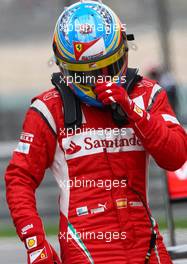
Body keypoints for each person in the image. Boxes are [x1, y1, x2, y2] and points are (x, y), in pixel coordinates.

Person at [5, 1, 186, 263]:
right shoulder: (48, 109)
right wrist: (35, 244)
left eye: (108, 68)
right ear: (63, 66)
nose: (100, 80)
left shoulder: (147, 94)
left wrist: (133, 111)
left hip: (145, 242)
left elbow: (176, 156)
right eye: (86, 75)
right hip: (86, 248)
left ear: (123, 52)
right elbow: (19, 180)